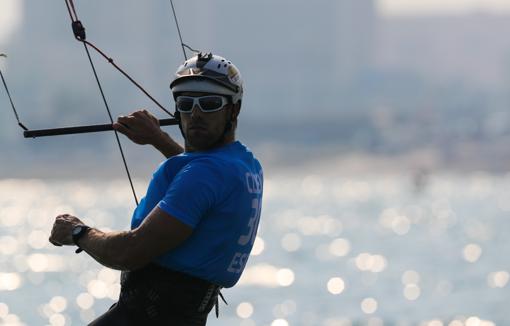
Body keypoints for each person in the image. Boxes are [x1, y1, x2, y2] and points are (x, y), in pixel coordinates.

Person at [49, 52, 264, 326]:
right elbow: (199, 181)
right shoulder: (245, 164)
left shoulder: (206, 174)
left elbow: (130, 251)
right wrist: (157, 138)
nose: (195, 114)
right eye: (185, 104)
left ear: (234, 109)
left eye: (209, 104)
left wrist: (79, 232)